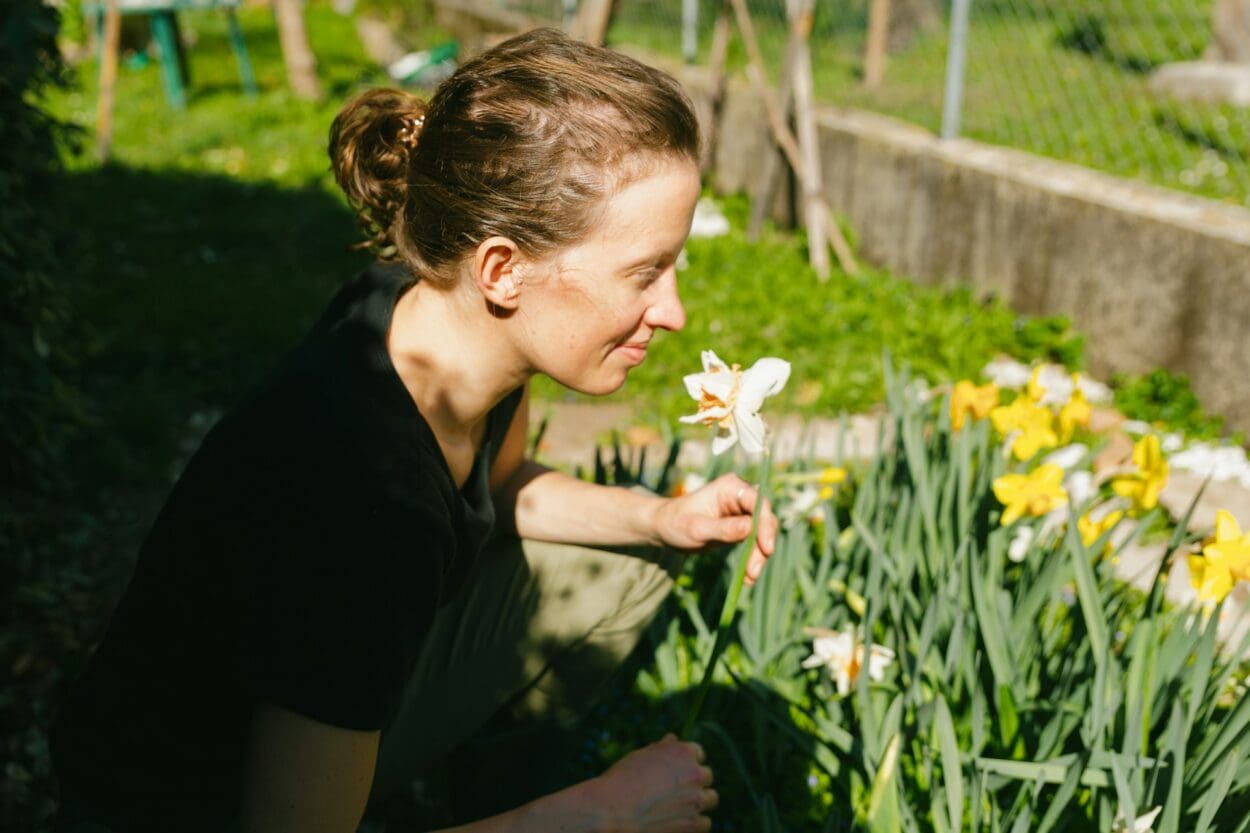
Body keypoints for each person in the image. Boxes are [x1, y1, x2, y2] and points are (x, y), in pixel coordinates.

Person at [51, 27, 778, 833]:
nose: (673, 313)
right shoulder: (364, 505)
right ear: (502, 269)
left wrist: (662, 517)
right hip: (173, 810)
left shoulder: (438, 320)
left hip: (296, 712)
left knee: (632, 563)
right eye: (645, 272)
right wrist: (601, 814)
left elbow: (496, 486)